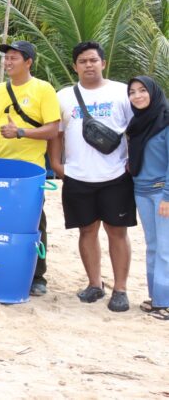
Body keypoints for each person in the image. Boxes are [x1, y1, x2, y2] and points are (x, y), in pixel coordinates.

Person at [49, 41, 133, 312]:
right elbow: (57, 133)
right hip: (77, 176)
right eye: (83, 61)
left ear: (103, 63)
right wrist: (56, 164)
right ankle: (94, 284)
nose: (88, 65)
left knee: (117, 232)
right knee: (86, 230)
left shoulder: (121, 92)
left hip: (115, 175)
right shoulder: (64, 96)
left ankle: (120, 289)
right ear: (75, 66)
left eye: (93, 60)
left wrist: (133, 160)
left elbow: (136, 130)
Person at [0, 40, 60, 297]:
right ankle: (1, 266)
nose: (8, 61)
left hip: (28, 171)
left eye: (14, 57)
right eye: (7, 57)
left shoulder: (43, 89)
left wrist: (21, 132)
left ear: (28, 62)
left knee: (33, 223)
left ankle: (38, 275)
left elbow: (53, 129)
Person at [125, 76, 169, 319]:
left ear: (153, 92)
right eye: (132, 92)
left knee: (165, 249)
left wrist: (167, 196)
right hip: (141, 190)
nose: (137, 96)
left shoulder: (165, 120)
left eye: (142, 90)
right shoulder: (137, 123)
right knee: (152, 247)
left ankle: (166, 302)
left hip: (162, 192)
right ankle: (157, 298)